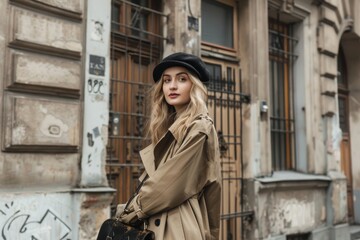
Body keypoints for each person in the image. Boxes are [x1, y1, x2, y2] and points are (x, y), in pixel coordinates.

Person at [116, 52, 222, 240]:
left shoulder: (199, 127)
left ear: (194, 86)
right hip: (161, 223)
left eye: (182, 79)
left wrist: (127, 213)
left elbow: (167, 185)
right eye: (167, 80)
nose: (172, 86)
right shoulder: (173, 127)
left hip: (177, 227)